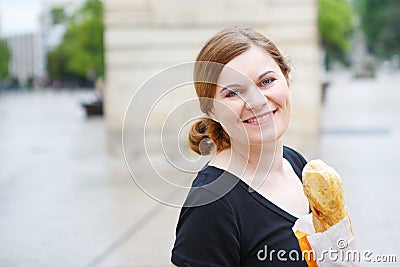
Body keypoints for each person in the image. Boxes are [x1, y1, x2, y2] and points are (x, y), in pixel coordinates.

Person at [171, 27, 310, 266]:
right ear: (211, 110)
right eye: (234, 93)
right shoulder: (212, 204)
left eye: (266, 81)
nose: (257, 102)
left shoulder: (297, 164)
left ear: (286, 80)